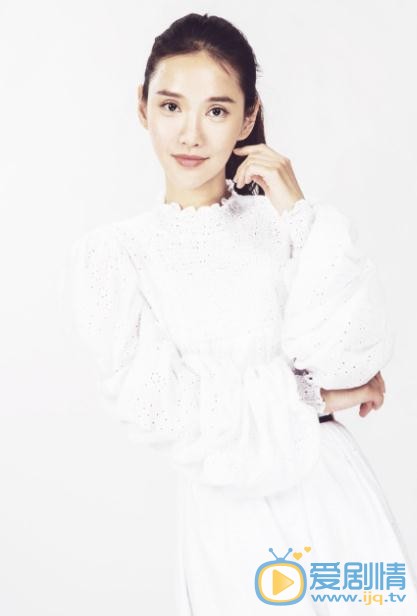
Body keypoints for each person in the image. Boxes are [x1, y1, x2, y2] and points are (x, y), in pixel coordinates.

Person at [66, 12, 417, 615]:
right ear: (142, 106)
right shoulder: (117, 257)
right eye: (171, 106)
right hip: (232, 515)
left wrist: (299, 212)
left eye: (217, 110)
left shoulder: (287, 224)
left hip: (333, 494)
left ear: (248, 117)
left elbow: (351, 356)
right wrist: (319, 398)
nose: (190, 135)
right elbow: (168, 412)